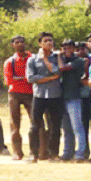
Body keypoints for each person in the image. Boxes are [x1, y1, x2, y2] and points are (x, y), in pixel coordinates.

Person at [26, 32, 65, 162]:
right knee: (35, 126)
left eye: (50, 40)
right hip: (39, 96)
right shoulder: (32, 59)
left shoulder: (57, 57)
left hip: (55, 95)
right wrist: (50, 78)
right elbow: (31, 78)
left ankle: (53, 154)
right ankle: (33, 154)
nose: (48, 43)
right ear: (40, 43)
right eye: (45, 40)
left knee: (55, 126)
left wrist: (45, 60)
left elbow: (58, 72)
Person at [4, 35, 34, 157]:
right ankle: (17, 152)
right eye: (17, 42)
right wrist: (26, 78)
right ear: (12, 45)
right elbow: (9, 80)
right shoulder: (10, 61)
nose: (20, 44)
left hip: (31, 93)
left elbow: (34, 77)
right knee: (14, 123)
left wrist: (20, 78)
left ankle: (39, 151)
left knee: (36, 122)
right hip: (14, 94)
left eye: (22, 42)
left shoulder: (32, 58)